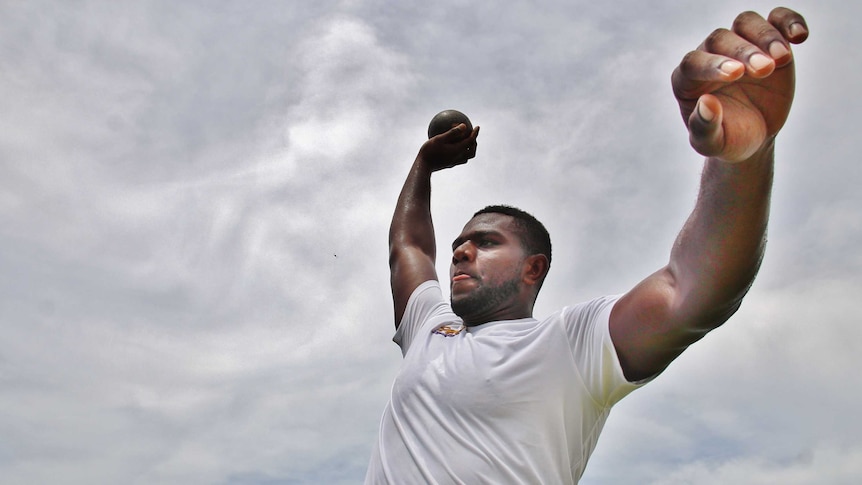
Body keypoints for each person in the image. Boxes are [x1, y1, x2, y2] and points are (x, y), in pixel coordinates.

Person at [365, 7, 809, 484]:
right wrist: (424, 165)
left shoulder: (569, 344)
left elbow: (690, 292)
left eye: (486, 242)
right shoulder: (430, 329)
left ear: (533, 269)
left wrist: (746, 159)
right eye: (459, 243)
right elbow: (408, 246)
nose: (461, 251)